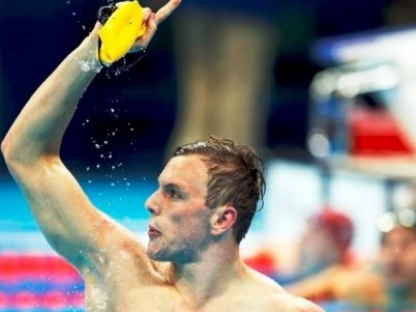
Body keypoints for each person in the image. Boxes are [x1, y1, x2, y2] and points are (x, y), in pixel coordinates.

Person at [0, 1, 323, 311]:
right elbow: (25, 153)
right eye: (161, 187)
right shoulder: (120, 270)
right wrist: (94, 52)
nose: (151, 203)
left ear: (223, 219)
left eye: (174, 193)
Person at [286, 209, 416, 310]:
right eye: (387, 244)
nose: (394, 254)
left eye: (406, 244)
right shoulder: (357, 285)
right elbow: (284, 299)